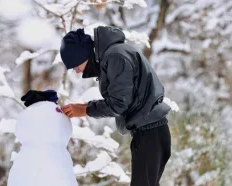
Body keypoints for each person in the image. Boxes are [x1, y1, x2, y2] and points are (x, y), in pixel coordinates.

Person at [21, 26, 171, 186]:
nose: (77, 71)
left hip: (149, 133)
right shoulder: (114, 55)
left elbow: (119, 103)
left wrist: (84, 109)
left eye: (75, 65)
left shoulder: (115, 57)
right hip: (149, 131)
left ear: (83, 54)